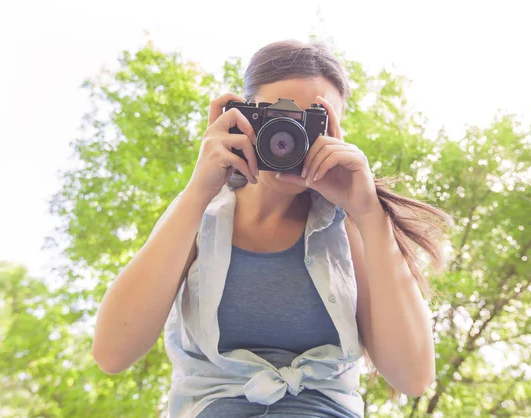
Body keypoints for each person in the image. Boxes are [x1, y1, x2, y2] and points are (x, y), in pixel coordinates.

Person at [91, 39, 453, 418]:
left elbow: (412, 378)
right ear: (241, 118)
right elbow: (113, 353)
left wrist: (368, 214)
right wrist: (200, 188)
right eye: (277, 118)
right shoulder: (201, 214)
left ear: (335, 133)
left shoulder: (353, 227)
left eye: (311, 123)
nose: (289, 140)